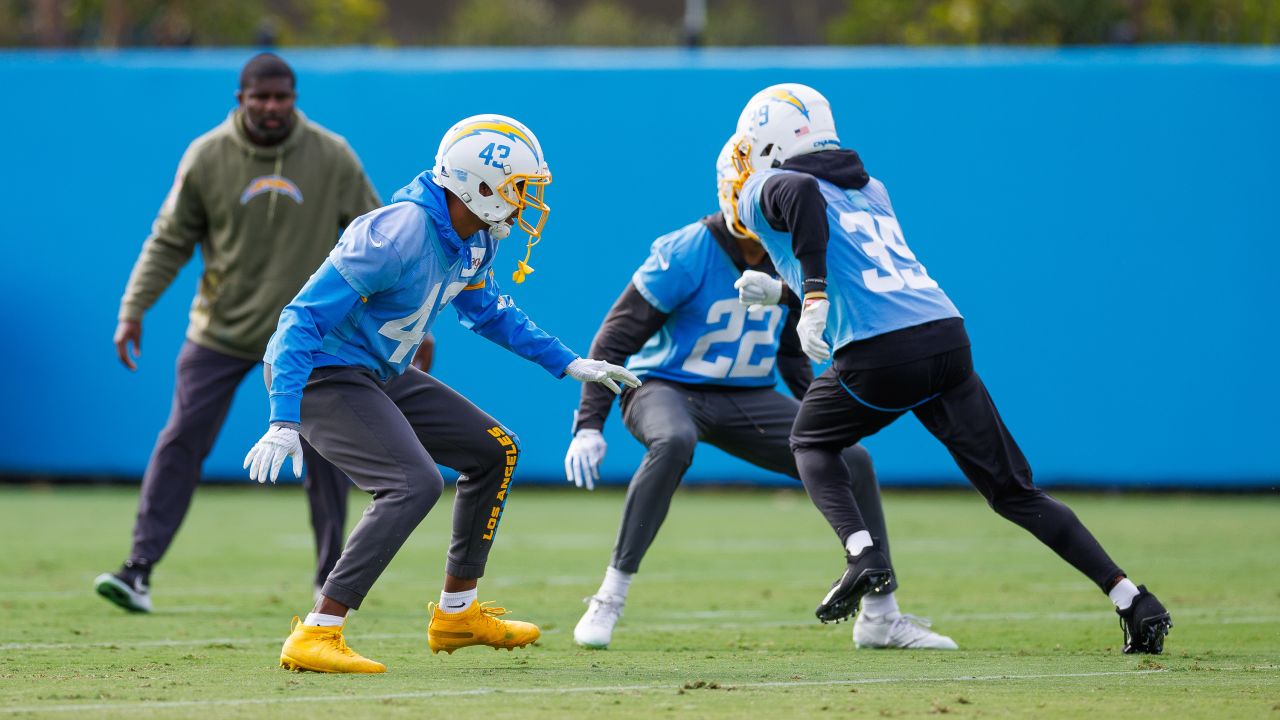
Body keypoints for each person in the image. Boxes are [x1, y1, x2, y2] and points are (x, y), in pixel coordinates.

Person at [726, 83, 1172, 654]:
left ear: (773, 139)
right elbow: (861, 269)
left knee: (810, 441)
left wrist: (810, 296)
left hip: (881, 352)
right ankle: (1131, 598)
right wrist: (789, 294)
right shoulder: (872, 188)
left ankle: (863, 552)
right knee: (1015, 491)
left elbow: (799, 196)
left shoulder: (771, 184)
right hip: (944, 338)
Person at [244, 114, 640, 673]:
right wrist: (283, 418)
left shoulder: (474, 234)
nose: (526, 201)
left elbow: (487, 313)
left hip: (375, 370)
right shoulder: (397, 234)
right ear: (478, 186)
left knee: (494, 449)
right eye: (517, 188)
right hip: (322, 372)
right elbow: (299, 321)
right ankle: (318, 631)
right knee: (411, 484)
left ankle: (457, 612)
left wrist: (569, 361)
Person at [564, 139, 956, 651]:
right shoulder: (687, 250)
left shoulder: (795, 251)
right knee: (675, 440)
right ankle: (610, 596)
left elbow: (791, 352)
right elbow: (617, 335)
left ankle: (881, 615)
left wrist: (825, 411)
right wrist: (589, 422)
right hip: (665, 388)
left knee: (853, 460)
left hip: (747, 396)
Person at [95, 53, 380, 613]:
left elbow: (377, 242)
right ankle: (138, 571)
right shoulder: (207, 156)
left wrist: (404, 323)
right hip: (221, 330)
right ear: (240, 99)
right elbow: (169, 240)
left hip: (312, 334)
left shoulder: (332, 155)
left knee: (326, 455)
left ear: (294, 99)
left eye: (282, 98)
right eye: (260, 98)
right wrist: (134, 308)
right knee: (181, 440)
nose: (272, 108)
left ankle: (332, 581)